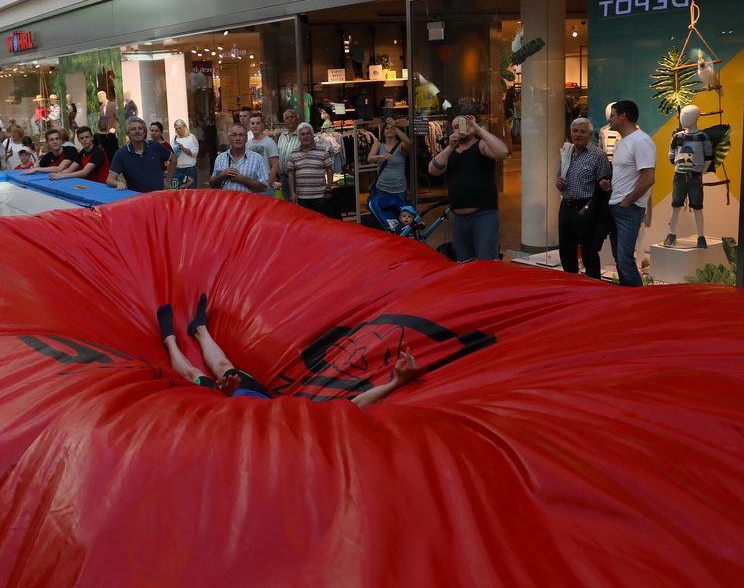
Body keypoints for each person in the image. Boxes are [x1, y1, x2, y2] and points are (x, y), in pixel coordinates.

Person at [155, 295, 420, 407]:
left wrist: (224, 399)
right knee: (224, 365)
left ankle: (169, 339)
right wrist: (398, 382)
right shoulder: (304, 418)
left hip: (229, 403)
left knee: (192, 373)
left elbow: (226, 431)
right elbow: (354, 403)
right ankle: (200, 330)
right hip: (254, 394)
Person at [427, 113, 510, 263]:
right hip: (459, 218)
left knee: (487, 263)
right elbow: (433, 170)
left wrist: (478, 130)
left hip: (483, 215)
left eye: (464, 125)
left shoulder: (481, 145)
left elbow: (502, 152)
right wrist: (450, 147)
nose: (460, 129)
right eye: (456, 127)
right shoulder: (451, 152)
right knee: (464, 263)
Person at [606, 100, 657, 287]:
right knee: (620, 259)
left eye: (612, 115)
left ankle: (638, 301)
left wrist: (627, 203)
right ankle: (626, 297)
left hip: (628, 209)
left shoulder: (641, 141)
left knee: (626, 260)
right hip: (617, 206)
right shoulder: (624, 142)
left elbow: (648, 178)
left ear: (623, 116)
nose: (609, 119)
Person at [555, 117, 612, 279]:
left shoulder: (598, 155)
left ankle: (594, 287)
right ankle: (570, 284)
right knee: (566, 249)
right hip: (566, 206)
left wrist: (588, 207)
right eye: (575, 131)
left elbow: (604, 189)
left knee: (588, 251)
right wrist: (558, 183)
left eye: (582, 131)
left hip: (585, 208)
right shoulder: (567, 152)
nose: (578, 134)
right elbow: (559, 178)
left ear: (590, 134)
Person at [284, 123, 337, 216]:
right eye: (302, 134)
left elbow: (329, 169)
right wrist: (292, 193)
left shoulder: (322, 151)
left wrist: (329, 187)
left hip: (320, 197)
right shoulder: (294, 153)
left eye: (308, 134)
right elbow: (291, 174)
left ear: (312, 136)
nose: (305, 136)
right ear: (299, 137)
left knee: (321, 223)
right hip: (302, 198)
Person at [366, 120, 412, 228]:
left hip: (399, 188)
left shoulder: (401, 146)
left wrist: (395, 126)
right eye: (387, 128)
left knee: (402, 217)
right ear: (383, 133)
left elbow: (408, 142)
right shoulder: (378, 144)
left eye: (392, 128)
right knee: (383, 218)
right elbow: (369, 159)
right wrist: (381, 156)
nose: (390, 129)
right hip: (382, 188)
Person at [107, 118, 171, 194]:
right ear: (128, 133)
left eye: (140, 128)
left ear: (144, 132)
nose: (137, 131)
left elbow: (173, 159)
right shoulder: (121, 154)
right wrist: (119, 183)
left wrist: (168, 180)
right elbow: (110, 180)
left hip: (159, 196)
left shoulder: (156, 146)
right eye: (133, 129)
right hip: (137, 200)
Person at [209, 125, 270, 194]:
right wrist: (222, 175)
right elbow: (212, 185)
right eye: (234, 135)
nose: (238, 138)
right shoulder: (220, 158)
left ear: (246, 138)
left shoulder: (257, 159)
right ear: (228, 138)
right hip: (226, 203)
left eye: (241, 135)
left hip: (247, 203)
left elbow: (264, 187)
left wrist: (242, 179)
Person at [245, 113, 282, 199]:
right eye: (253, 123)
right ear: (249, 125)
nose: (255, 126)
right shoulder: (248, 144)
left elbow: (275, 166)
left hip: (265, 186)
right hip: (252, 186)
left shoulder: (269, 142)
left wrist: (268, 185)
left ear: (262, 125)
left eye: (258, 123)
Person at [169, 119, 199, 188]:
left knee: (192, 190)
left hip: (190, 168)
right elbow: (171, 152)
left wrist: (183, 149)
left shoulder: (191, 137)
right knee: (179, 189)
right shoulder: (174, 138)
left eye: (180, 128)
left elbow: (195, 152)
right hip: (178, 168)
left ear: (184, 127)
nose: (178, 130)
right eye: (176, 129)